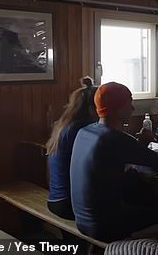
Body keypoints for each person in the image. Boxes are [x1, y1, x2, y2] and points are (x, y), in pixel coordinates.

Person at [70, 82, 158, 242]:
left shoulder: (85, 131)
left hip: (81, 220)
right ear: (117, 109)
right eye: (129, 103)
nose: (132, 109)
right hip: (104, 225)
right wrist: (145, 142)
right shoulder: (113, 138)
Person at [45, 76, 98, 220]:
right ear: (92, 109)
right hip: (69, 204)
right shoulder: (83, 130)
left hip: (55, 198)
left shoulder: (63, 126)